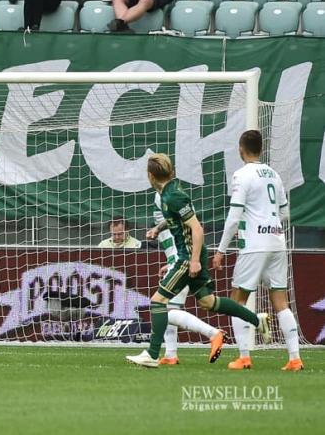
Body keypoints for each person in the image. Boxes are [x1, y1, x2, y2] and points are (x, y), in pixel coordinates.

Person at [126, 153, 270, 368]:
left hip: (188, 255)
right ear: (171, 172)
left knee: (158, 302)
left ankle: (153, 354)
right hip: (192, 253)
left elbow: (197, 228)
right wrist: (158, 228)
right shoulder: (170, 192)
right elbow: (179, 219)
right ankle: (257, 320)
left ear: (150, 175)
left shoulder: (172, 195)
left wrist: (193, 261)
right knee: (208, 302)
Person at [212, 130, 303, 371]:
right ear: (261, 149)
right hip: (277, 242)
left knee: (237, 300)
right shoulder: (274, 175)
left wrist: (221, 250)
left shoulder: (242, 175)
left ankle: (244, 356)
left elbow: (233, 218)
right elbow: (284, 213)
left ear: (241, 148)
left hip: (254, 246)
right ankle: (295, 358)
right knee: (281, 301)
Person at [146, 196, 227, 366]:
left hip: (182, 261)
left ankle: (213, 333)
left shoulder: (165, 195)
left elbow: (183, 227)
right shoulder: (169, 195)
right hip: (178, 260)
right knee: (170, 309)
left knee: (164, 309)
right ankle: (170, 354)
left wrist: (176, 261)